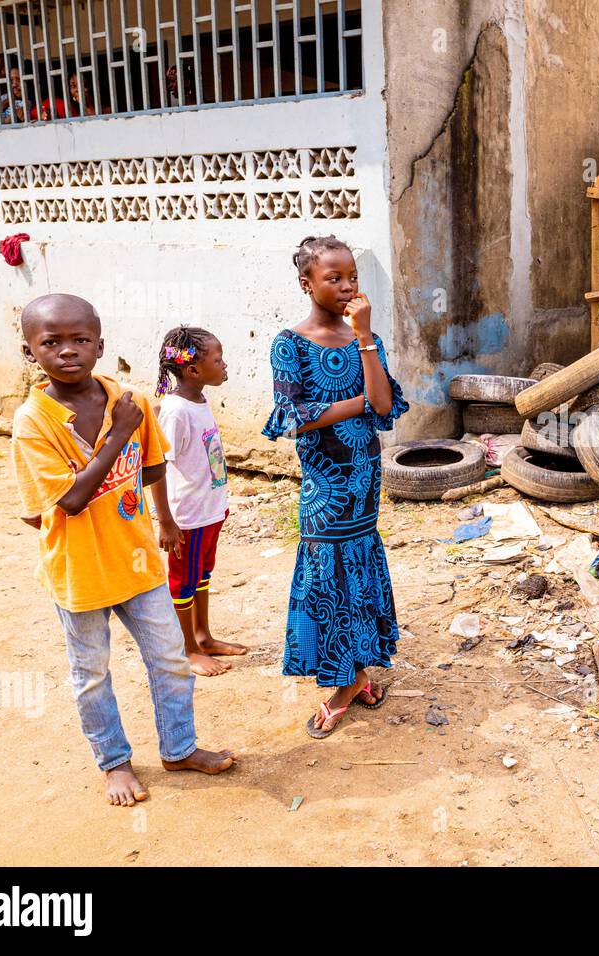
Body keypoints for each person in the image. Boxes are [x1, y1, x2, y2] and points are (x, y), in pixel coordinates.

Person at [11, 293, 235, 806]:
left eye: (80, 339)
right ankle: (113, 762)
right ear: (30, 352)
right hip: (80, 573)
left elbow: (155, 464)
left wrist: (165, 519)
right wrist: (120, 434)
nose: (68, 351)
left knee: (172, 661)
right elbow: (69, 500)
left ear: (100, 344)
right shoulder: (35, 422)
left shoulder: (123, 398)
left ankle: (179, 747)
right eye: (51, 342)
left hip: (138, 565)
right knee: (92, 675)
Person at [262, 236, 409, 738]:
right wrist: (359, 405)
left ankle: (351, 680)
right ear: (308, 284)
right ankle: (354, 677)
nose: (347, 286)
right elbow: (296, 418)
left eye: (352, 277)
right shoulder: (290, 343)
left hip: (366, 476)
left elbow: (387, 406)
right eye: (334, 277)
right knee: (329, 572)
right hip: (325, 483)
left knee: (358, 566)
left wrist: (364, 336)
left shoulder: (365, 338)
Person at [155, 326, 246, 677]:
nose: (224, 365)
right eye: (218, 359)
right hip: (187, 518)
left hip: (210, 511)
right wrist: (166, 522)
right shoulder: (176, 411)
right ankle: (187, 651)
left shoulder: (199, 401)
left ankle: (203, 636)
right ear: (193, 370)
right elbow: (156, 466)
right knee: (183, 583)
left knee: (202, 575)